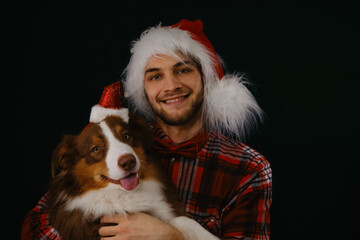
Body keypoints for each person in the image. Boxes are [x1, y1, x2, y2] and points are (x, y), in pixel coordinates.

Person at [22, 19, 272, 240]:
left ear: (206, 78)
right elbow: (37, 228)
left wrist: (174, 236)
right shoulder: (127, 144)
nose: (171, 86)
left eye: (183, 70)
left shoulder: (249, 168)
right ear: (144, 89)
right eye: (155, 76)